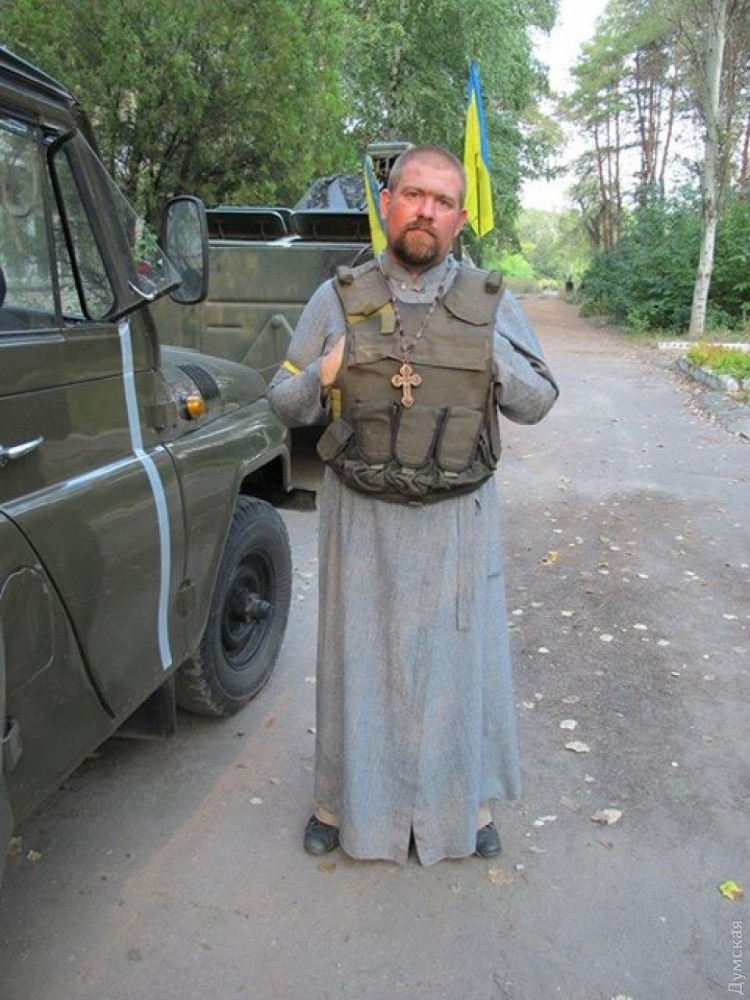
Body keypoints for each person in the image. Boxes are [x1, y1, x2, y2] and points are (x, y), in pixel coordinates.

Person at [268, 145, 558, 866]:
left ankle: (467, 806)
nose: (426, 211)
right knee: (358, 661)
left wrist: (490, 358)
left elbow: (538, 401)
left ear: (459, 219)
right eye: (414, 195)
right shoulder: (337, 297)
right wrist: (325, 371)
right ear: (388, 204)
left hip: (458, 520)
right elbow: (283, 401)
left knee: (460, 664)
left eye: (443, 201)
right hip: (361, 517)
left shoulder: (492, 300)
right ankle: (338, 804)